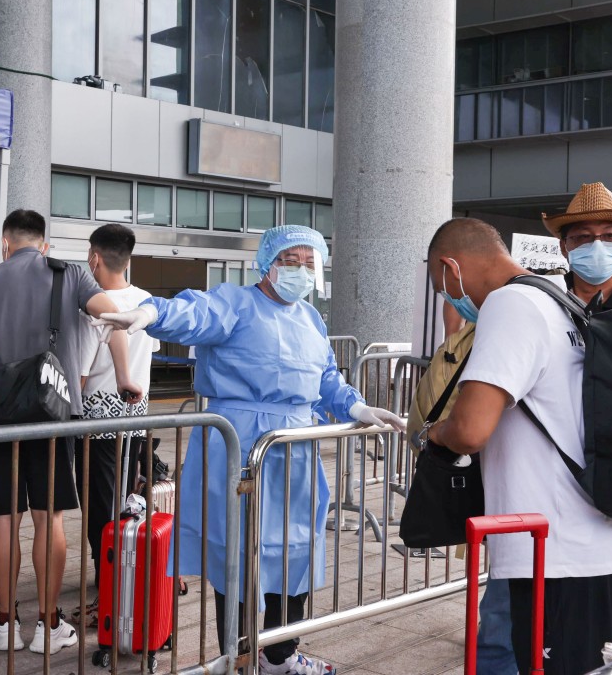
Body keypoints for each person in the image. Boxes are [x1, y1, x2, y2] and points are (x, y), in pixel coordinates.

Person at [100, 225, 403, 675]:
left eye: (308, 263)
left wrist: (355, 404)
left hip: (294, 453)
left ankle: (280, 653)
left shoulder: (311, 319)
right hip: (237, 448)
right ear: (268, 263)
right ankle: (239, 654)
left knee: (295, 550)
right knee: (237, 553)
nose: (300, 271)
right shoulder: (235, 304)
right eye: (290, 261)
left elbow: (324, 379)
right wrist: (152, 314)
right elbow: (194, 313)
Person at [422, 217, 612, 675]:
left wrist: (436, 435)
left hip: (552, 553)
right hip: (595, 539)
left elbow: (471, 428)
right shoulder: (563, 302)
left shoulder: (510, 303)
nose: (451, 298)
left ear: (451, 267)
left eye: (443, 286)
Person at [0, 209, 141, 655]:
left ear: (6, 244)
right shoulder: (72, 274)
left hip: (0, 416)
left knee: (3, 518)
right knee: (49, 517)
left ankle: (4, 623)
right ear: (44, 243)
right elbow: (106, 310)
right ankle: (49, 624)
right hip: (53, 411)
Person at [74, 223, 159, 620]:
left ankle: (106, 578)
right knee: (123, 497)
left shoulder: (96, 302)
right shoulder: (146, 301)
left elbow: (84, 372)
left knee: (98, 504)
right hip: (135, 415)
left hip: (97, 417)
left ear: (94, 258)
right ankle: (118, 572)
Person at [544, 181, 612, 310]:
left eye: (610, 235)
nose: (598, 247)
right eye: (583, 236)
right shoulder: (543, 299)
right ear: (564, 247)